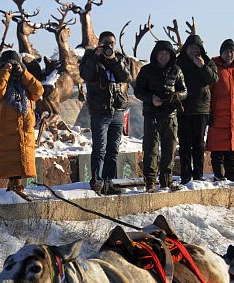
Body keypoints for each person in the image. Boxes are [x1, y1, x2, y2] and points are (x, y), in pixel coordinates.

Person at [0, 50, 44, 198]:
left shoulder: (24, 80)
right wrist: (5, 71)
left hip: (25, 129)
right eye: (8, 64)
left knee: (23, 161)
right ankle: (13, 187)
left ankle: (17, 187)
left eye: (14, 63)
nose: (12, 66)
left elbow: (38, 91)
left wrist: (23, 73)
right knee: (10, 162)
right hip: (8, 129)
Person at [79, 30, 131, 195]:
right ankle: (97, 182)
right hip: (99, 111)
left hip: (117, 110)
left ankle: (110, 182)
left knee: (113, 150)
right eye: (106, 43)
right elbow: (85, 75)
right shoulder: (90, 58)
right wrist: (95, 57)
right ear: (99, 43)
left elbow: (126, 77)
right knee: (99, 149)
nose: (110, 46)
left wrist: (114, 60)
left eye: (112, 43)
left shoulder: (120, 58)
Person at [134, 40, 187, 192]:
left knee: (169, 149)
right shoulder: (146, 70)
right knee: (151, 149)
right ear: (156, 54)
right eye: (161, 53)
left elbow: (184, 91)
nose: (164, 56)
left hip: (170, 115)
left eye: (167, 54)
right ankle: (150, 181)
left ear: (171, 56)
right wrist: (151, 99)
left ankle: (166, 181)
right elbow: (138, 91)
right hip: (152, 115)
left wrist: (177, 95)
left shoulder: (176, 70)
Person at [175, 34, 218, 184]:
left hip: (201, 109)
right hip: (183, 109)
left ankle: (198, 175)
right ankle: (185, 175)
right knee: (185, 144)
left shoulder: (207, 62)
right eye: (191, 47)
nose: (194, 50)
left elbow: (213, 79)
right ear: (186, 48)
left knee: (199, 144)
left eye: (197, 47)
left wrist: (202, 66)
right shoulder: (178, 62)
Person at [206, 39, 234, 182]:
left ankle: (231, 173)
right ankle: (219, 174)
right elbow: (208, 92)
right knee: (218, 148)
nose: (229, 54)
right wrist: (209, 112)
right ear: (221, 52)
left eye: (232, 51)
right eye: (226, 51)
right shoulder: (214, 67)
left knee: (232, 148)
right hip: (218, 114)